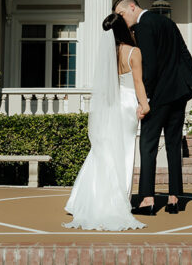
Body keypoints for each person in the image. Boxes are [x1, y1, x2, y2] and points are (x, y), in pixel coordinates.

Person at [114, 0, 192, 215]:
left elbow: (149, 67)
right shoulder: (169, 23)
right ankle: (174, 198)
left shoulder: (143, 27)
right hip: (178, 95)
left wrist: (145, 100)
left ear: (132, 7)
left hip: (158, 99)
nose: (122, 20)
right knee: (173, 146)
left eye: (122, 14)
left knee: (148, 146)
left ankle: (147, 200)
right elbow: (184, 55)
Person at [63, 13, 149, 230]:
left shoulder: (107, 54)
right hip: (128, 105)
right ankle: (119, 199)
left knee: (104, 151)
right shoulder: (134, 52)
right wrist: (145, 105)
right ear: (124, 30)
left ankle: (81, 199)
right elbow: (138, 83)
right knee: (125, 152)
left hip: (111, 105)